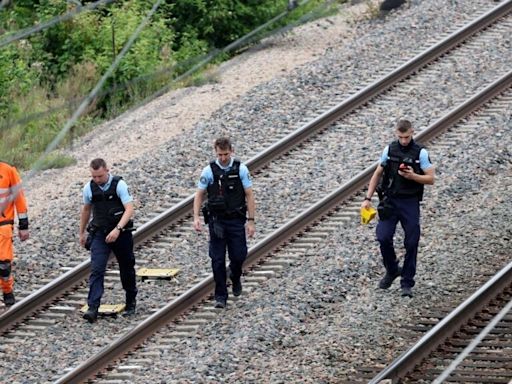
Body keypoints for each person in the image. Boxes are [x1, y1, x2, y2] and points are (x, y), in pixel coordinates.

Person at [361, 119, 435, 298]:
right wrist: (367, 198)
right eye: (400, 137)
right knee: (383, 237)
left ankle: (407, 282)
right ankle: (392, 269)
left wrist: (413, 176)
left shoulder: (421, 153)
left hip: (410, 202)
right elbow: (377, 173)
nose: (403, 141)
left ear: (412, 133)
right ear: (396, 134)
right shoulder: (389, 150)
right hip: (390, 200)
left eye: (407, 137)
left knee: (411, 241)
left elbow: (431, 179)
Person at [193, 137, 256, 309]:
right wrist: (196, 217)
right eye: (219, 155)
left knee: (239, 255)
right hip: (217, 222)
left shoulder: (240, 169)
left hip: (236, 219)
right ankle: (220, 295)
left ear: (231, 151)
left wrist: (251, 221)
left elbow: (249, 194)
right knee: (217, 260)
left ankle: (235, 276)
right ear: (215, 152)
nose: (223, 158)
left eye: (225, 154)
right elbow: (199, 194)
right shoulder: (208, 171)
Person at [79, 158, 137, 323]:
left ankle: (131, 300)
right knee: (97, 269)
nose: (97, 180)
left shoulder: (120, 185)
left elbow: (129, 209)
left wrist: (118, 229)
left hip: (121, 233)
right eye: (94, 176)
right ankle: (93, 307)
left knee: (126, 267)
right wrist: (81, 233)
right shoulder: (89, 188)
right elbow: (86, 210)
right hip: (100, 234)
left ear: (107, 170)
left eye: (100, 176)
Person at [0, 161, 29, 307]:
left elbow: (19, 198)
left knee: (4, 264)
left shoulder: (8, 171)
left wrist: (23, 225)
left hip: (3, 225)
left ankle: (7, 290)